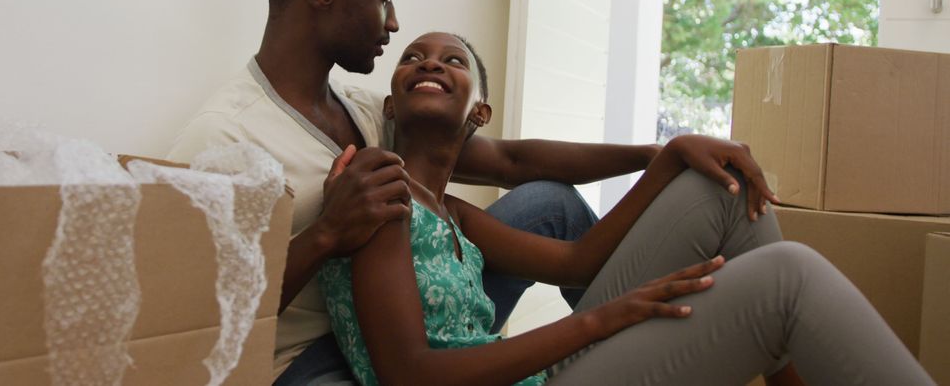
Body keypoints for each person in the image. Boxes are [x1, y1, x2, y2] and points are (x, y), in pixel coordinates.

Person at [167, 0, 776, 384]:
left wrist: (658, 156)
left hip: (413, 303)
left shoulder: (366, 112)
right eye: (384, 0)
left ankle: (642, 339)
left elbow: (509, 160)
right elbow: (199, 318)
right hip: (311, 358)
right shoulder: (223, 139)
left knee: (551, 204)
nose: (396, 21)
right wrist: (327, 234)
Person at [319, 31, 933, 385]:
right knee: (789, 278)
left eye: (453, 60)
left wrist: (665, 157)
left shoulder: (457, 215)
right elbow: (410, 377)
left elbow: (581, 258)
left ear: (479, 113)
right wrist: (601, 320)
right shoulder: (378, 192)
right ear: (391, 106)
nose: (429, 61)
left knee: (720, 185)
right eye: (413, 57)